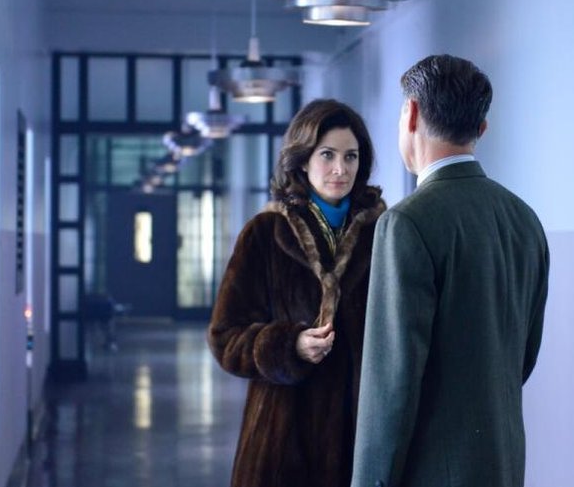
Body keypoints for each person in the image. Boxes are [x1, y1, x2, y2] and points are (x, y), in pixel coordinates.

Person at [350, 55, 550, 487]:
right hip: (503, 463)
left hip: (430, 472)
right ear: (482, 129)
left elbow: (391, 388)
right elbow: (523, 357)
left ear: (411, 114)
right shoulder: (524, 218)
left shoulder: (406, 222)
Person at [208, 98, 386, 487]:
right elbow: (224, 338)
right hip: (280, 442)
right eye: (327, 155)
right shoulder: (265, 233)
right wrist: (289, 346)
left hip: (359, 436)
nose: (341, 169)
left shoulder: (384, 234)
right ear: (303, 160)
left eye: (351, 156)